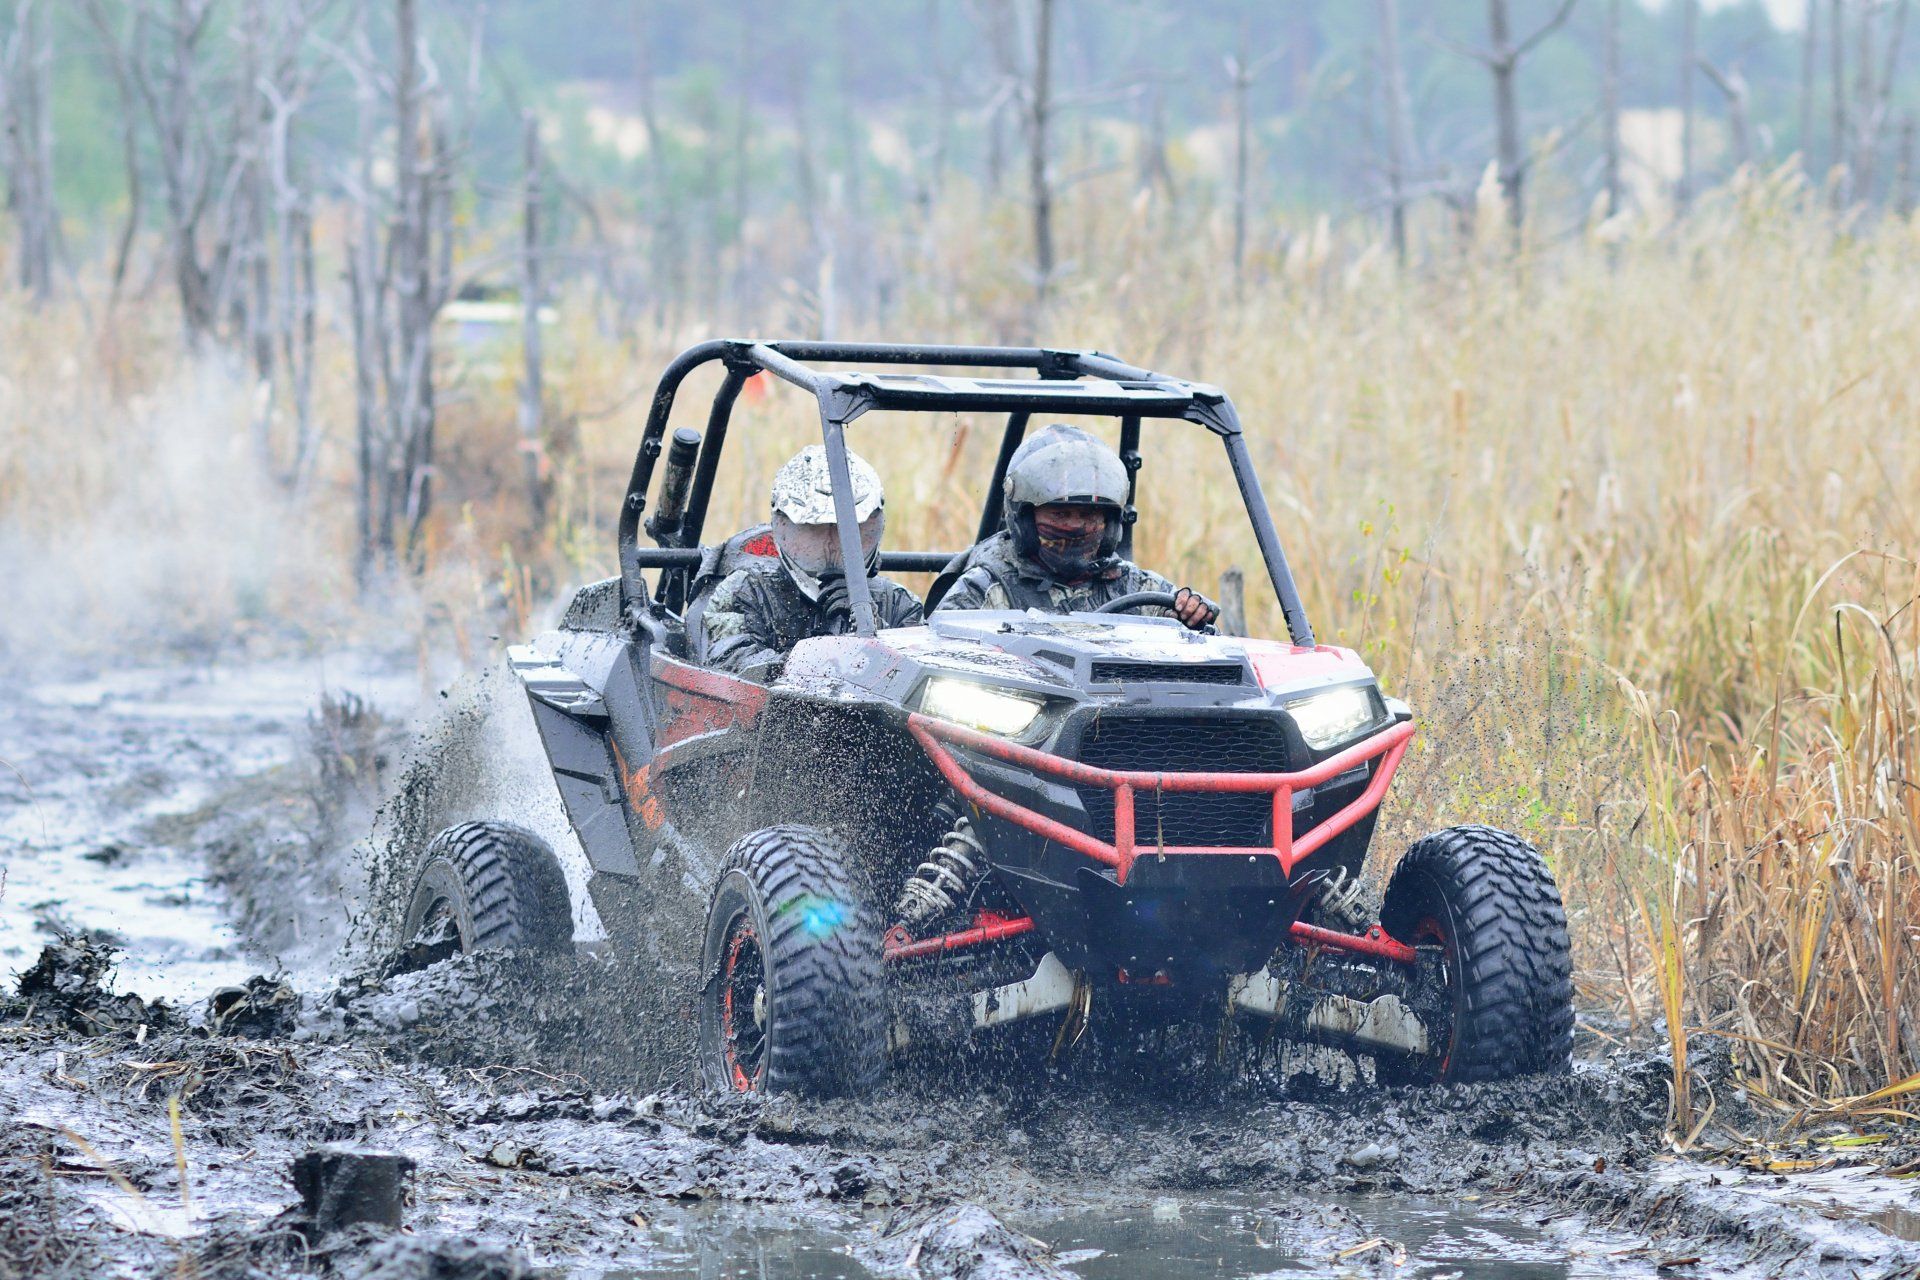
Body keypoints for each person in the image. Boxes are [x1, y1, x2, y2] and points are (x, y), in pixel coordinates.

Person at [936, 423, 1218, 628]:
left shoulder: (1137, 587)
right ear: (1024, 520)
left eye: (1089, 515)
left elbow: (1196, 646)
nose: (1075, 526)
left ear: (1109, 525)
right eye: (1060, 514)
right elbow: (943, 661)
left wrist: (1191, 615)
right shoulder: (986, 588)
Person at [698, 445, 923, 680]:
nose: (832, 547)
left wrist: (872, 631)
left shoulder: (899, 604)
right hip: (768, 716)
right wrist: (820, 661)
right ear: (782, 526)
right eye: (816, 532)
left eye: (850, 532)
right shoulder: (744, 592)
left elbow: (919, 680)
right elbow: (731, 667)